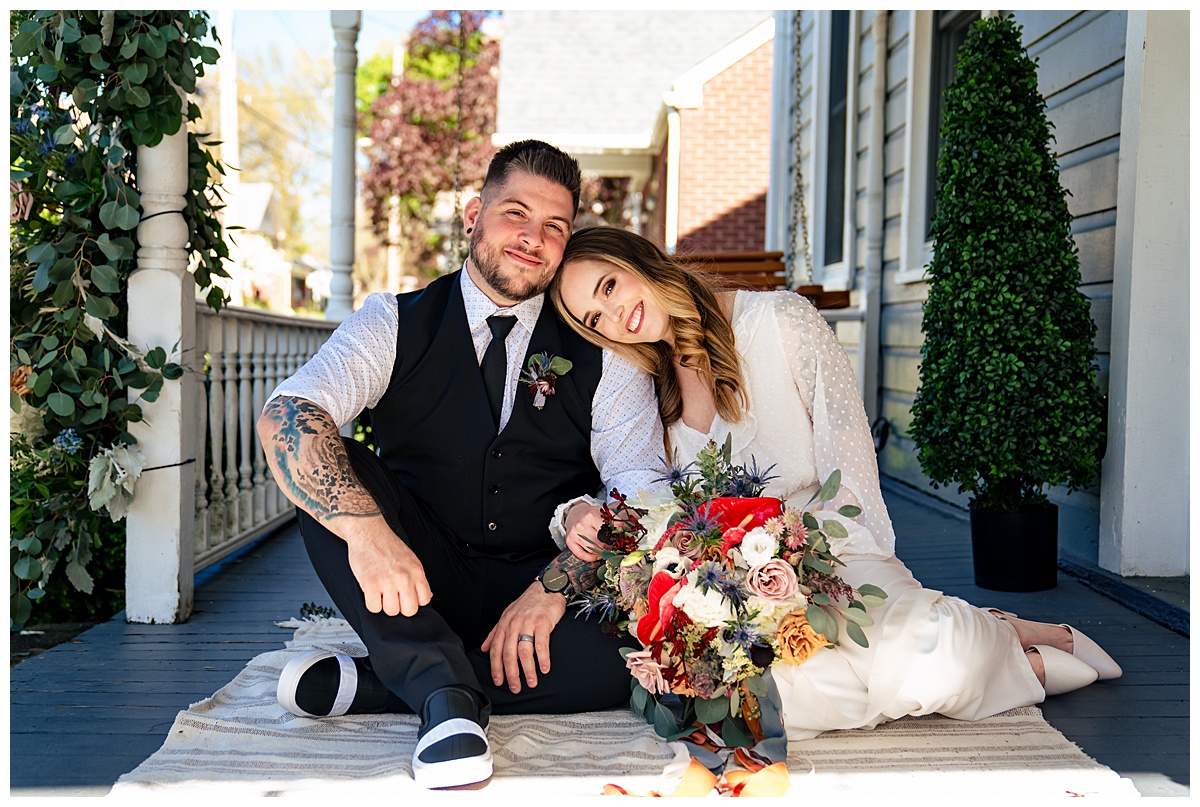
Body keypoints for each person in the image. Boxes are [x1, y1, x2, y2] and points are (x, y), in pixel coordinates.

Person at [548, 226, 1123, 741]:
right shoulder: (643, 385)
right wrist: (577, 514)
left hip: (837, 555)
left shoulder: (780, 322)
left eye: (608, 286)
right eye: (593, 318)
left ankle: (994, 637)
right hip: (743, 592)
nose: (614, 312)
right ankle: (1012, 659)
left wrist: (803, 567)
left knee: (922, 644)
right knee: (758, 700)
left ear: (640, 260)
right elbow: (638, 493)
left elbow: (849, 472)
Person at [257, 142, 664, 789]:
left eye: (555, 227)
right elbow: (288, 412)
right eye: (516, 214)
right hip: (415, 578)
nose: (533, 238)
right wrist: (368, 534)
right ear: (474, 213)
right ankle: (443, 695)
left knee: (633, 653)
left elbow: (644, 492)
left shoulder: (601, 348)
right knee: (329, 472)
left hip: (539, 593)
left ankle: (409, 681)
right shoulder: (393, 320)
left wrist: (555, 586)